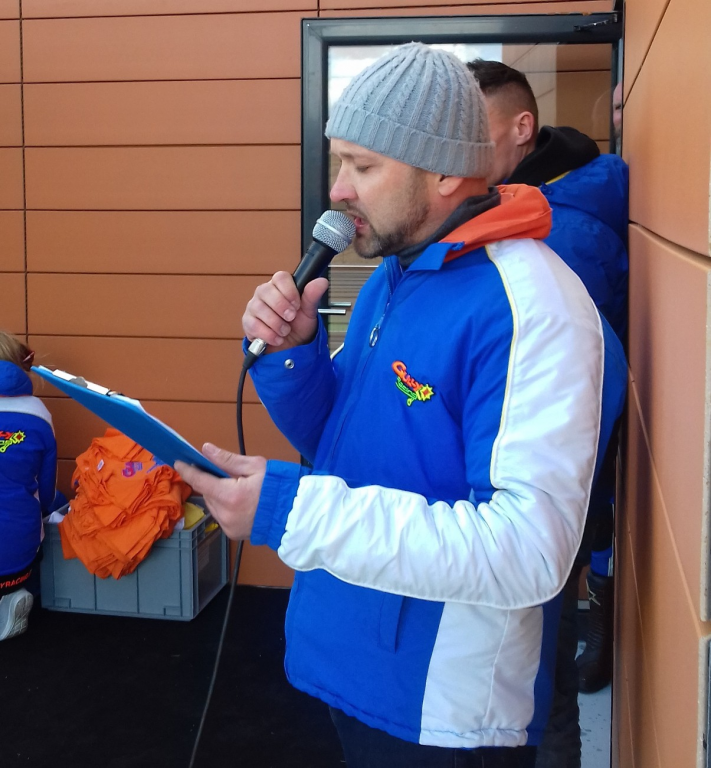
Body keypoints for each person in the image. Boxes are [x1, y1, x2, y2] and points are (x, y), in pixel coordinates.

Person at [176, 43, 626, 768]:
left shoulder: (531, 307)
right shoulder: (397, 274)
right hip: (357, 654)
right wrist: (295, 356)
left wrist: (291, 511)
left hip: (443, 709)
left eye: (363, 166)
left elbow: (528, 550)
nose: (338, 190)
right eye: (340, 163)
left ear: (445, 171)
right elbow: (341, 440)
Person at [467, 60, 629, 768]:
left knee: (538, 684)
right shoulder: (529, 205)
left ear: (521, 129)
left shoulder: (561, 232)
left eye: (471, 131)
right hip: (547, 491)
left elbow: (554, 386)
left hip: (542, 490)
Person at [0, 332, 57, 641]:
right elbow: (47, 494)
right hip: (18, 558)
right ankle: (16, 593)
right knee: (48, 505)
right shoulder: (39, 413)